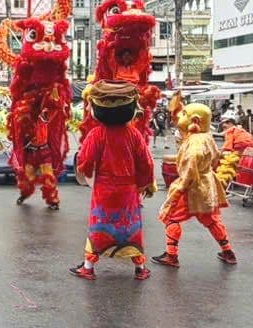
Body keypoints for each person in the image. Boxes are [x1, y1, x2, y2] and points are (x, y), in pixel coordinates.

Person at [71, 81, 155, 280]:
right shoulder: (134, 134)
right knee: (131, 227)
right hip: (129, 190)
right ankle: (140, 268)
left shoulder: (96, 134)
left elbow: (86, 161)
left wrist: (83, 171)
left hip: (104, 190)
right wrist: (145, 183)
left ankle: (88, 267)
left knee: (99, 226)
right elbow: (146, 163)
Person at [153, 102, 237, 267]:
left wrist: (183, 184)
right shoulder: (206, 136)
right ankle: (228, 251)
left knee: (171, 218)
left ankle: (171, 255)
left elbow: (193, 160)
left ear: (195, 120)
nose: (179, 117)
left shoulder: (195, 141)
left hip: (191, 186)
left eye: (184, 114)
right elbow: (215, 158)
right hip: (206, 183)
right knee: (211, 219)